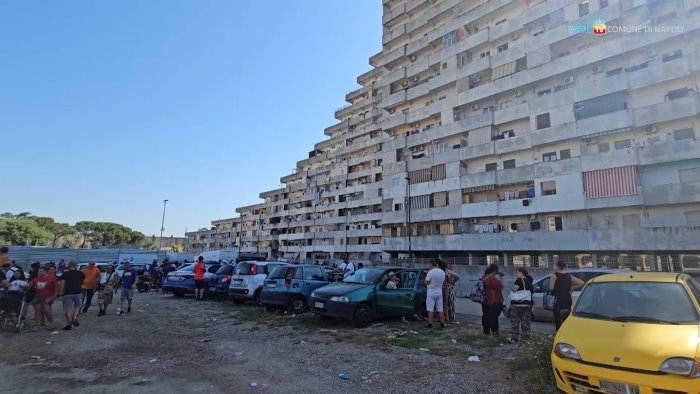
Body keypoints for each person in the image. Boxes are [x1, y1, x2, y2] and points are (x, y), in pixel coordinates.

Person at [549, 261, 584, 330]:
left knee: (558, 321)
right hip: (567, 300)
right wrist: (572, 288)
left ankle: (558, 335)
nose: (553, 267)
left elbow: (551, 288)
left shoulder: (554, 275)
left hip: (557, 301)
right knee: (566, 320)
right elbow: (581, 282)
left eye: (554, 265)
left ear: (557, 267)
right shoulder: (569, 276)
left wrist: (550, 290)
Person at [58, 261, 84, 330]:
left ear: (68, 266)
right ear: (75, 266)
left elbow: (62, 284)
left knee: (68, 309)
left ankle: (69, 324)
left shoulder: (65, 274)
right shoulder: (81, 273)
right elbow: (82, 282)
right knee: (77, 306)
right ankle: (74, 318)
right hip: (78, 292)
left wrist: (60, 293)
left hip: (67, 293)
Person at [510, 267, 534, 343]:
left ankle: (514, 338)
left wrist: (512, 288)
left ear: (521, 272)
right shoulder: (529, 281)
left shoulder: (519, 280)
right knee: (526, 322)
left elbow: (514, 289)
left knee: (515, 322)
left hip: (518, 304)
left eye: (516, 272)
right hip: (527, 304)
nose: (515, 274)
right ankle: (525, 338)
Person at [29, 266, 57, 331]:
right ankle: (37, 326)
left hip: (49, 296)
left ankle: (50, 323)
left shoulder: (52, 278)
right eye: (38, 271)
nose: (39, 272)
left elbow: (56, 287)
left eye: (40, 271)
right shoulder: (37, 278)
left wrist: (55, 295)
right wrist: (27, 286)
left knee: (46, 310)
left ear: (46, 271)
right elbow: (30, 284)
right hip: (38, 296)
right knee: (38, 311)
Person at [481, 264, 504, 337]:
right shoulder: (492, 278)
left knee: (486, 315)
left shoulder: (483, 277)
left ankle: (486, 330)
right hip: (493, 300)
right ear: (495, 271)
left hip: (484, 299)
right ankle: (495, 332)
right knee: (494, 316)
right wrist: (500, 279)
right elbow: (501, 286)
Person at [424, 259, 446, 329]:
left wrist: (424, 280)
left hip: (431, 291)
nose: (428, 266)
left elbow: (426, 282)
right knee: (440, 308)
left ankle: (430, 324)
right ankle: (442, 323)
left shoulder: (430, 272)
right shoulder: (442, 271)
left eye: (429, 264)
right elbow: (443, 280)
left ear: (431, 264)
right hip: (439, 291)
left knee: (430, 308)